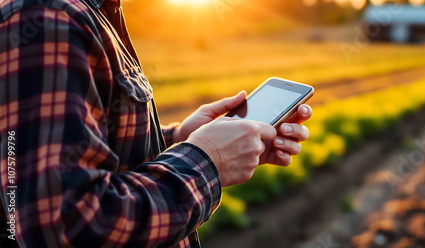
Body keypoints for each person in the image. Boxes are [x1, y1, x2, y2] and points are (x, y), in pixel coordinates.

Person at [0, 0, 312, 247]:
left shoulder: (91, 12)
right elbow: (65, 225)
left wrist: (178, 139)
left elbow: (86, 145)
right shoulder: (50, 18)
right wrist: (208, 160)